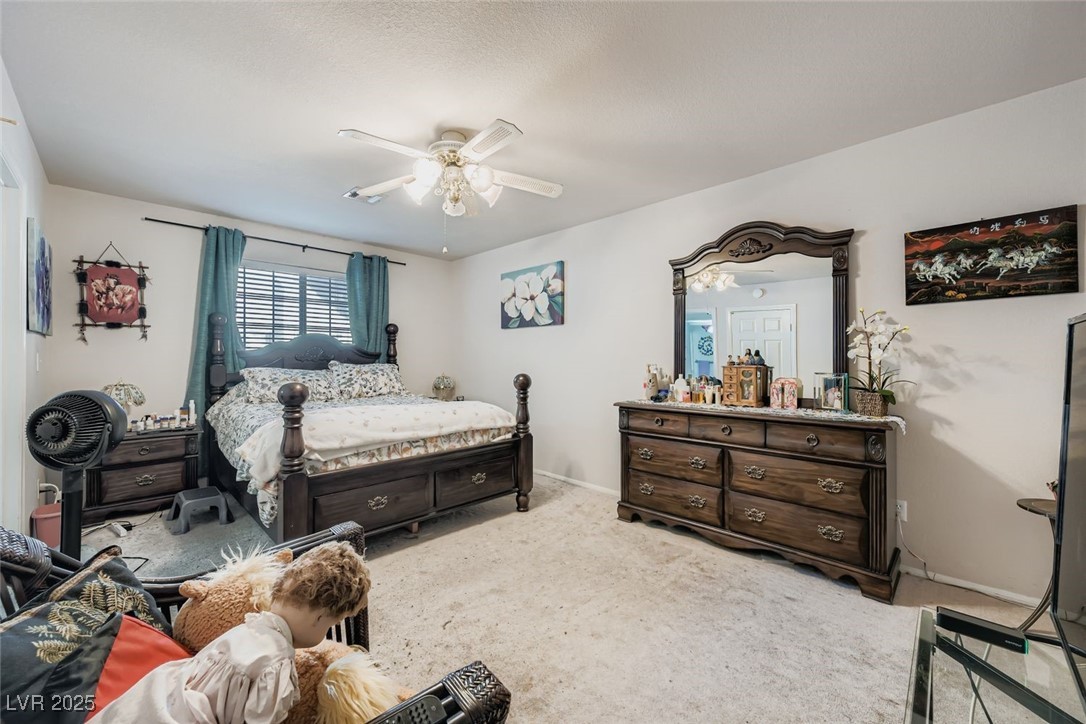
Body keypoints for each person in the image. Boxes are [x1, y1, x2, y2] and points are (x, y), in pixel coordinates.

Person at [91, 542, 370, 724]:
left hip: (146, 703)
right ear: (320, 616)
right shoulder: (276, 666)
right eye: (332, 624)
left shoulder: (246, 628)